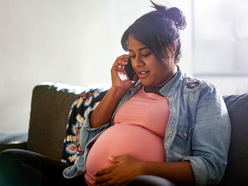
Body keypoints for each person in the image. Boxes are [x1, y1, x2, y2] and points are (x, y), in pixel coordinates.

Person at [0, 1, 231, 186]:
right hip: (84, 179)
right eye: (131, 54)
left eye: (145, 53)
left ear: (171, 47)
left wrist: (141, 167)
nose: (137, 63)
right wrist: (116, 90)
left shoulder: (202, 94)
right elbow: (85, 137)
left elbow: (210, 168)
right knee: (13, 160)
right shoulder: (129, 90)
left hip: (142, 181)